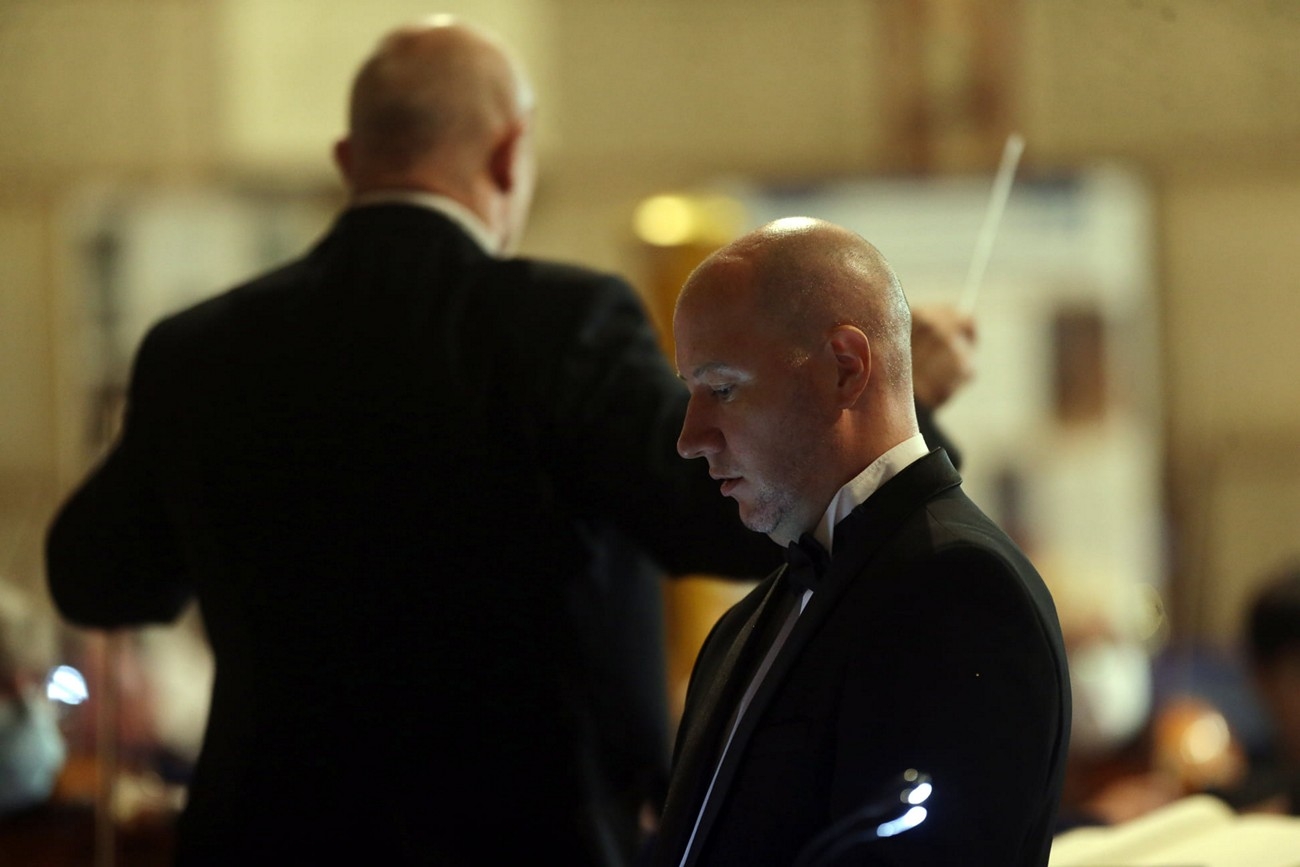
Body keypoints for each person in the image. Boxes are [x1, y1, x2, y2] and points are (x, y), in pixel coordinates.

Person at [45, 17, 781, 866]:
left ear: (347, 161)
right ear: (509, 155)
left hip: (271, 838)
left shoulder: (198, 350)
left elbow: (94, 576)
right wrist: (843, 402)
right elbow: (726, 516)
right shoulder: (564, 326)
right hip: (526, 839)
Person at [653, 217, 1070, 867]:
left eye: (723, 388)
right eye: (691, 392)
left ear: (845, 369)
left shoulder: (960, 594)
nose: (690, 438)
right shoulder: (748, 621)